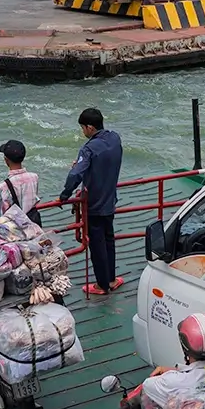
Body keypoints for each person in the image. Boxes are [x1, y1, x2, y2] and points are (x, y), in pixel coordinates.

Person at [59, 106, 123, 296]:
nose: (83, 132)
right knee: (109, 240)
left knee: (97, 245)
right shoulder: (115, 138)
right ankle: (111, 279)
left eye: (83, 128)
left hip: (94, 203)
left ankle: (101, 285)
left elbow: (76, 174)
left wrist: (64, 195)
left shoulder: (88, 149)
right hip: (110, 200)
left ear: (89, 127)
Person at [0, 139, 42, 223]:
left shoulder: (2, 187)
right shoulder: (34, 177)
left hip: (14, 231)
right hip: (33, 226)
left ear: (6, 160)